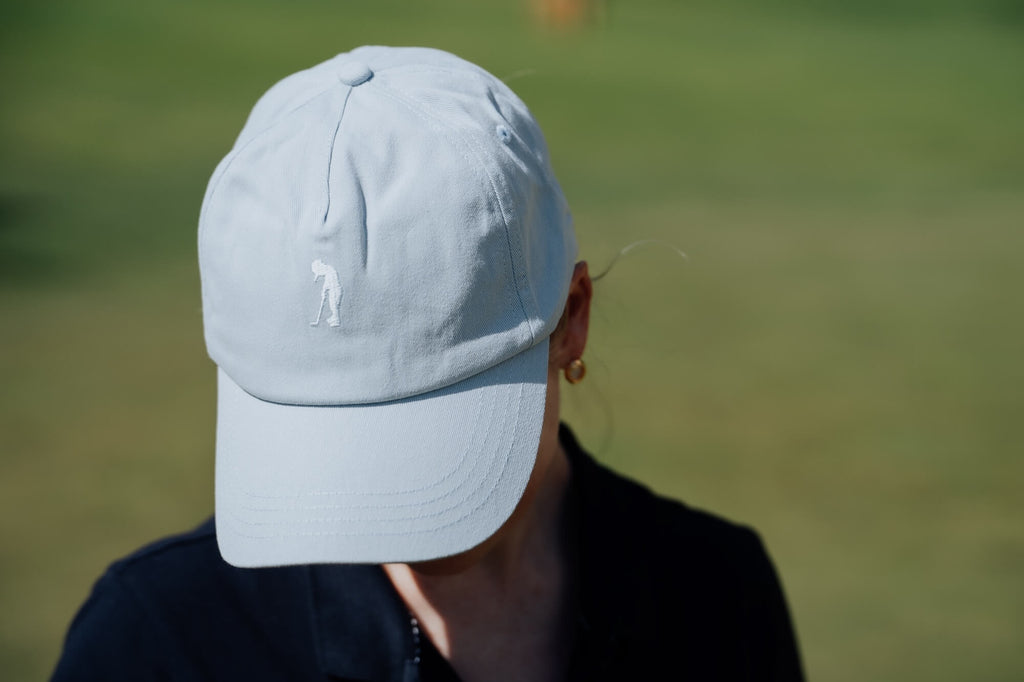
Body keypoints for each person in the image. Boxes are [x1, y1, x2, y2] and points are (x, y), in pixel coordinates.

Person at [52, 46, 804, 681]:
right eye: (325, 421)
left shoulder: (717, 600)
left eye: (431, 408)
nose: (384, 516)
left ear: (570, 321)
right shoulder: (155, 642)